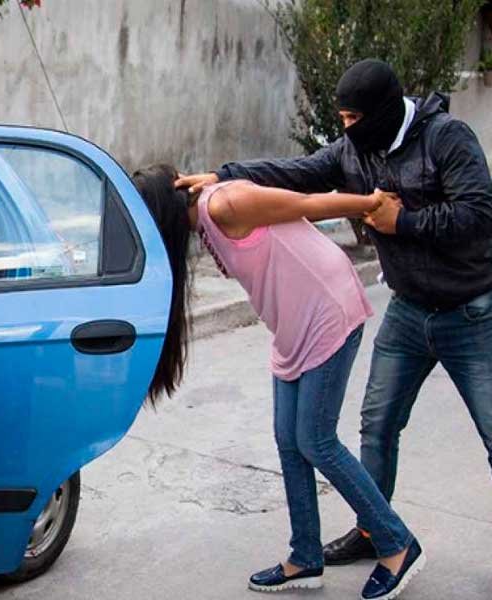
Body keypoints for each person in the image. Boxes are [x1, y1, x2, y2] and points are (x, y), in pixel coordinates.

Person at [177, 59, 492, 567]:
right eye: (342, 120)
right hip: (409, 312)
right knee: (378, 425)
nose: (346, 129)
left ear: (384, 111)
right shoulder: (355, 149)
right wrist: (226, 174)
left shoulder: (447, 139)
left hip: (471, 313)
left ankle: (386, 537)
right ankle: (375, 530)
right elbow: (300, 173)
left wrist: (404, 221)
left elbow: (479, 215)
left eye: (352, 118)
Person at [135, 165, 424, 599]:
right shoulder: (206, 213)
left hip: (327, 312)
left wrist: (370, 203)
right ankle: (305, 556)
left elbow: (308, 203)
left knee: (316, 440)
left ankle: (397, 543)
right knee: (288, 439)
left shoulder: (226, 203)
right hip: (291, 325)